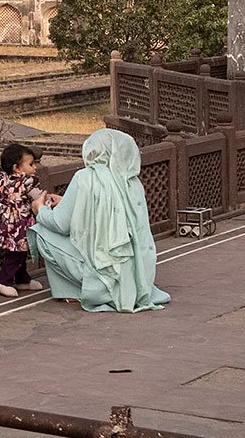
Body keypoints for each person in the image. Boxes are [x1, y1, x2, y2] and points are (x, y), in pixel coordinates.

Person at [28, 128, 169, 313]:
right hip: (136, 271)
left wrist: (40, 209)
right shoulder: (132, 182)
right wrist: (67, 201)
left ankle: (85, 290)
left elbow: (61, 224)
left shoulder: (86, 177)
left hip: (100, 266)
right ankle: (116, 288)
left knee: (41, 231)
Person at [0, 142, 47, 298]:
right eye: (31, 164)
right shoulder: (28, 183)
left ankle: (22, 278)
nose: (35, 168)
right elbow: (39, 198)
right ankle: (3, 280)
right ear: (17, 168)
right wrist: (49, 202)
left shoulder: (2, 180)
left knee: (18, 251)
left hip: (4, 223)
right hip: (20, 224)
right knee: (16, 253)